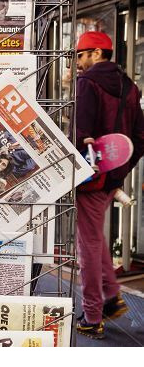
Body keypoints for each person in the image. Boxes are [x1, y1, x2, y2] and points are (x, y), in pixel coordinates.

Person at [75, 31, 144, 339]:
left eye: (81, 54)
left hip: (89, 180)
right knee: (95, 237)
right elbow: (140, 139)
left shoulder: (88, 84)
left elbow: (82, 132)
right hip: (111, 177)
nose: (77, 62)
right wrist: (119, 171)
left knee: (87, 244)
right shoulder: (130, 88)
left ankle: (92, 316)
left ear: (98, 53)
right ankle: (111, 297)